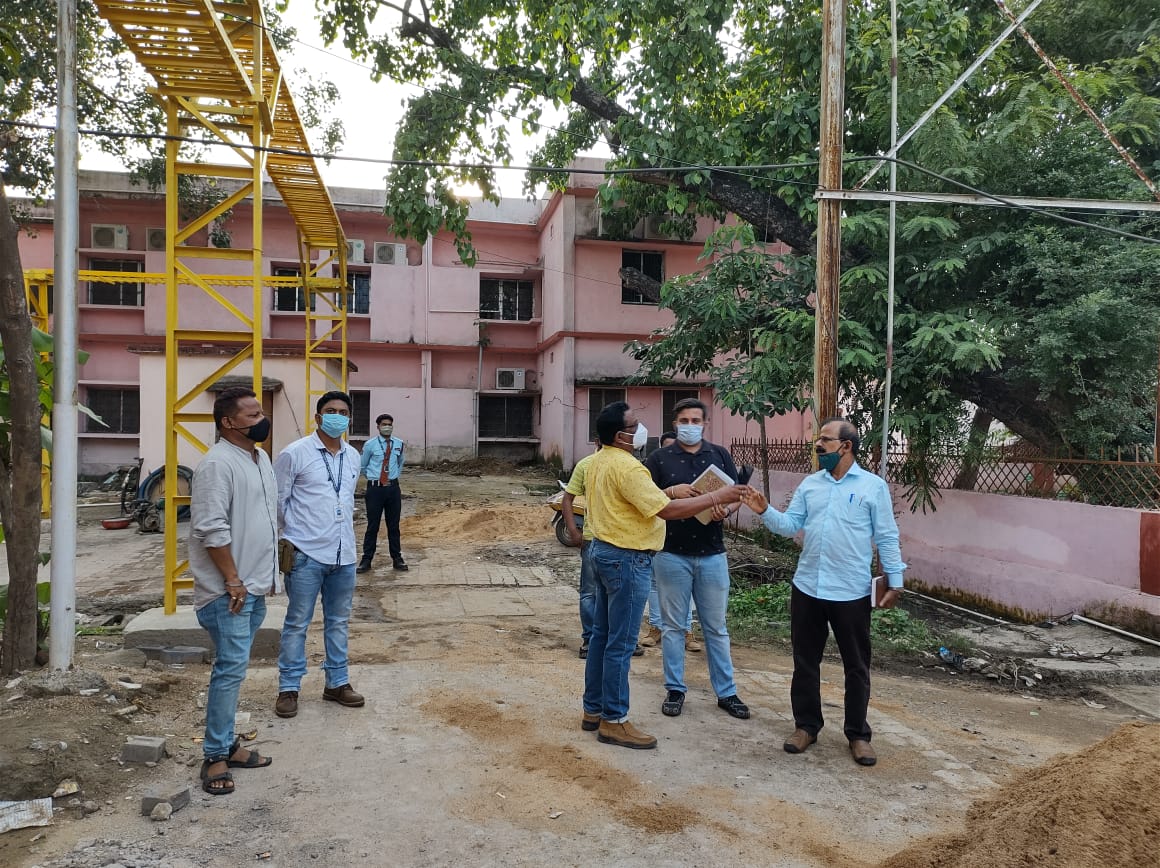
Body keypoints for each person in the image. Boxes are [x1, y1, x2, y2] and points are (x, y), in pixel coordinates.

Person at [582, 401, 747, 750]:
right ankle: (614, 720)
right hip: (627, 559)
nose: (640, 429)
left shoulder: (598, 460)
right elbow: (667, 510)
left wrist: (688, 495)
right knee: (620, 645)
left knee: (601, 637)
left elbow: (646, 500)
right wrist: (715, 496)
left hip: (604, 551)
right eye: (634, 425)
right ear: (621, 436)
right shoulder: (631, 467)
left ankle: (593, 710)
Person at [741, 417, 905, 767]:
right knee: (805, 662)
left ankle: (858, 735)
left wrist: (896, 581)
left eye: (825, 440)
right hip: (808, 587)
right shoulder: (811, 484)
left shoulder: (872, 487)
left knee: (856, 666)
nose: (818, 445)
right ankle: (806, 726)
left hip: (851, 591)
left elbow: (887, 536)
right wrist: (765, 510)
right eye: (818, 439)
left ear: (846, 446)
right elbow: (790, 526)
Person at [189, 386, 279, 795]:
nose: (262, 420)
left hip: (253, 587)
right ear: (227, 422)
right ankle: (214, 756)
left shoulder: (260, 459)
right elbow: (210, 528)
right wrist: (232, 579)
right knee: (229, 671)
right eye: (252, 415)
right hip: (230, 592)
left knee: (235, 670)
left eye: (261, 412)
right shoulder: (216, 464)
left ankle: (228, 745)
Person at [644, 398, 748, 720]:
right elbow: (645, 500)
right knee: (673, 627)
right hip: (670, 554)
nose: (690, 426)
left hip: (712, 554)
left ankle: (727, 692)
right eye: (684, 421)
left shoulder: (719, 455)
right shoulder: (658, 459)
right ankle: (675, 689)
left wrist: (725, 510)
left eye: (696, 421)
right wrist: (671, 492)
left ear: (705, 424)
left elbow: (736, 495)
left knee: (716, 628)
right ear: (675, 424)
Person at [274, 391, 365, 719]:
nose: (337, 416)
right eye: (330, 411)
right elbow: (278, 502)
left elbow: (346, 500)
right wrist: (291, 539)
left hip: (344, 554)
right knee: (297, 622)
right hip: (305, 554)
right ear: (317, 417)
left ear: (349, 419)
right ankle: (288, 688)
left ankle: (337, 683)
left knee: (338, 622)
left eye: (343, 412)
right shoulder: (294, 454)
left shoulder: (353, 456)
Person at [561, 448, 643, 661]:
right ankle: (591, 639)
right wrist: (573, 530)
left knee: (620, 593)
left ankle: (621, 638)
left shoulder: (631, 465)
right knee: (590, 592)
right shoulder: (587, 465)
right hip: (593, 539)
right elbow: (567, 498)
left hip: (623, 542)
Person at [638, 431, 699, 654]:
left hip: (689, 534)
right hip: (660, 535)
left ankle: (687, 630)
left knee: (687, 586)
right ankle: (656, 627)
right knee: (655, 584)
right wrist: (672, 492)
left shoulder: (694, 469)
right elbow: (645, 497)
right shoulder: (653, 470)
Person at [357, 413, 408, 573]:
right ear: (378, 427)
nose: (387, 427)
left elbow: (400, 462)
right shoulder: (370, 445)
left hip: (393, 489)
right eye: (384, 424)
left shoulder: (399, 443)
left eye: (389, 424)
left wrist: (393, 476)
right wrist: (374, 479)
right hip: (375, 490)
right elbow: (363, 466)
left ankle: (397, 558)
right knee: (373, 525)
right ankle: (366, 559)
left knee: (394, 526)